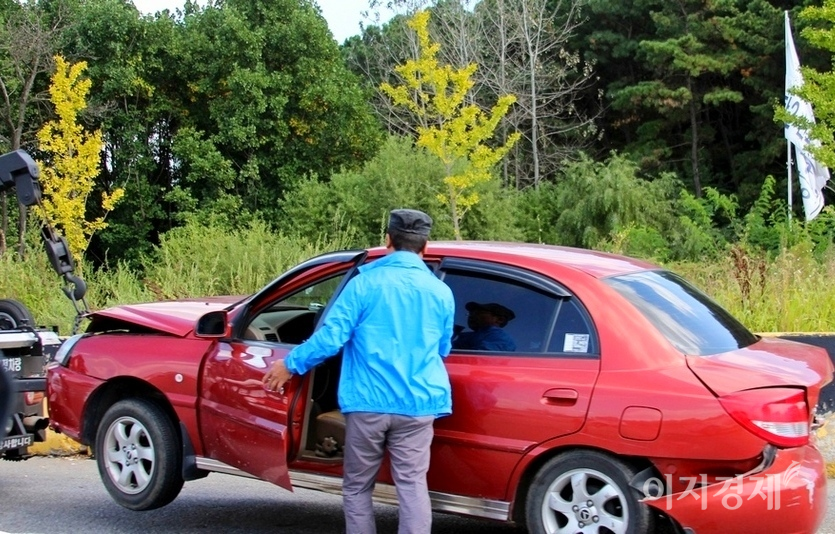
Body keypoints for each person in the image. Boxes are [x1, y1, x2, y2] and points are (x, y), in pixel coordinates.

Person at [263, 208, 455, 534]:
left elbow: (331, 338)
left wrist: (290, 364)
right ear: (425, 246)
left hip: (369, 403)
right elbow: (443, 349)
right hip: (420, 405)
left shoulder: (364, 283)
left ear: (388, 240)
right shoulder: (442, 292)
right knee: (411, 486)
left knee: (357, 487)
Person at [452, 301, 516, 352]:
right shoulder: (470, 336)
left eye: (478, 313)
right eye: (470, 313)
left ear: (500, 320)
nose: (471, 316)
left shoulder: (500, 337)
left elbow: (481, 359)